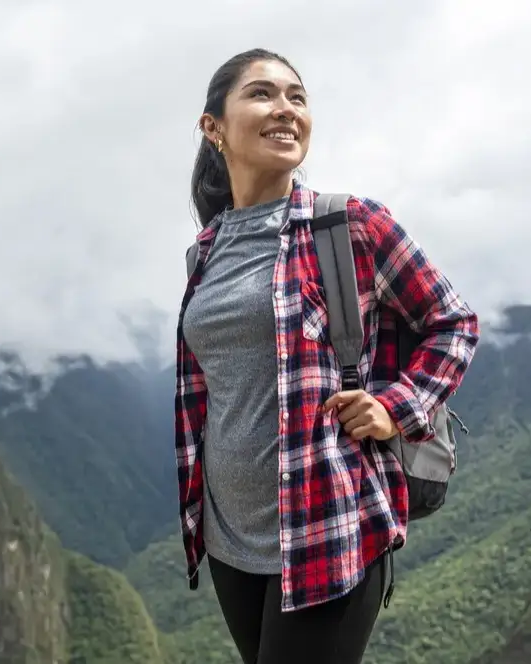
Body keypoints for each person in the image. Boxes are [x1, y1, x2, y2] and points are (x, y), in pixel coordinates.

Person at [175, 48, 481, 664]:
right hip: (230, 539)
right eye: (263, 94)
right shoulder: (204, 252)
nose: (286, 109)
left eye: (298, 96)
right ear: (213, 127)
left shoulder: (349, 225)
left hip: (326, 529)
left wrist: (396, 407)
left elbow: (454, 322)